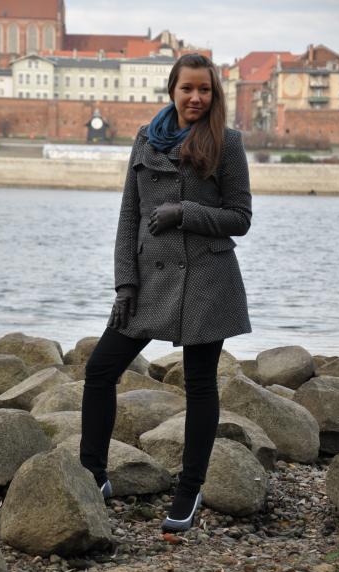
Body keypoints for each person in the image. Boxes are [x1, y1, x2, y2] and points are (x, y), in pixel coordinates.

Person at [80, 53, 252, 534]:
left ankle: (189, 488)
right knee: (100, 369)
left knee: (200, 383)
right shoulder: (145, 138)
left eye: (205, 89)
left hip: (207, 279)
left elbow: (240, 218)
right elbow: (128, 217)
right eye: (187, 88)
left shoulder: (227, 143)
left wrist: (185, 212)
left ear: (214, 94)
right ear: (172, 90)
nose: (196, 97)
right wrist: (124, 284)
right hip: (148, 279)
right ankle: (93, 475)